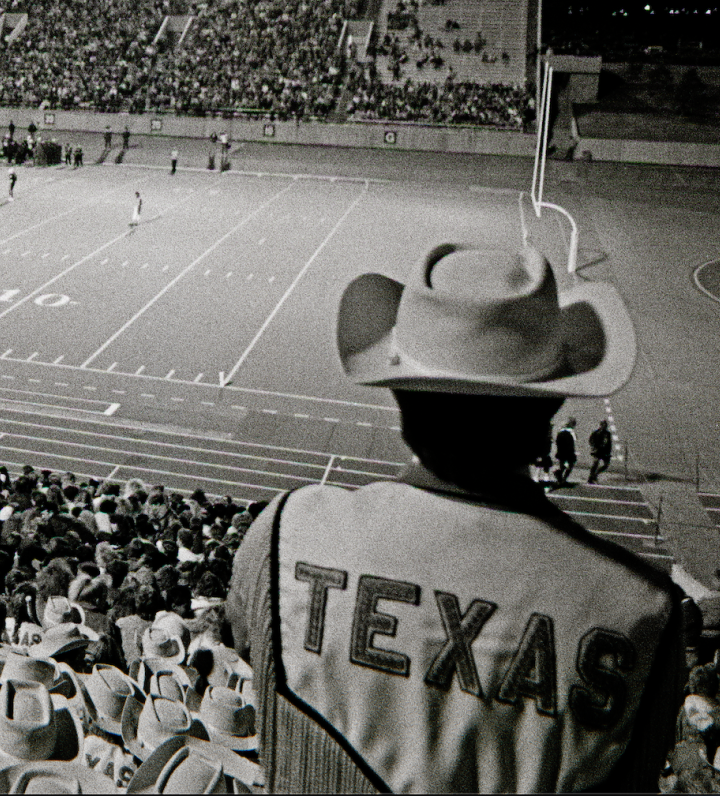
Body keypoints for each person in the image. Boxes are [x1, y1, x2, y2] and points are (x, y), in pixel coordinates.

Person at [223, 241, 683, 793]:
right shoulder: (644, 612)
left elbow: (249, 646)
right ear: (551, 407)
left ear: (400, 397)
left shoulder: (285, 531)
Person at [553, 417, 578, 487]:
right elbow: (574, 440)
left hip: (561, 450)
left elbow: (557, 440)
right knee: (570, 465)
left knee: (562, 465)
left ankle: (560, 479)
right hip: (568, 450)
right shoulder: (571, 432)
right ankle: (562, 478)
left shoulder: (561, 430)